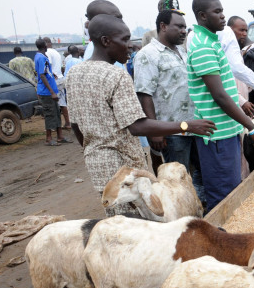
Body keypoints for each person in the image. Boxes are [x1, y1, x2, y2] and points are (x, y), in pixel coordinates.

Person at [66, 14, 215, 216]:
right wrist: (186, 126)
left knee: (118, 222)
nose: (129, 45)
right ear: (105, 41)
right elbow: (137, 126)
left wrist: (92, 149)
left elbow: (75, 124)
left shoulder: (74, 73)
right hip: (125, 171)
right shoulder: (116, 75)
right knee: (139, 223)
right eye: (124, 39)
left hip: (98, 164)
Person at [186, 0, 254, 213]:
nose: (223, 16)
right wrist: (252, 127)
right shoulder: (203, 47)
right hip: (217, 135)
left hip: (225, 131)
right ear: (202, 16)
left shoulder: (211, 42)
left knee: (231, 190)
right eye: (217, 12)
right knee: (223, 196)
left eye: (222, 11)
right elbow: (220, 96)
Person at [134, 8, 195, 174]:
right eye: (179, 27)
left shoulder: (181, 51)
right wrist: (155, 131)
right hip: (171, 132)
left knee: (196, 179)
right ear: (163, 26)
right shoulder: (148, 55)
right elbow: (144, 94)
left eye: (185, 27)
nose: (184, 31)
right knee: (175, 179)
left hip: (193, 127)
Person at [224, 16, 254, 118]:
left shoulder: (237, 53)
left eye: (246, 31)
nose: (245, 34)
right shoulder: (223, 54)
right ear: (229, 30)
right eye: (241, 30)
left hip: (240, 110)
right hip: (231, 109)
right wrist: (242, 102)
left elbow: (239, 83)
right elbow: (223, 85)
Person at [35, 39, 70, 146]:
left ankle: (60, 136)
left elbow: (45, 72)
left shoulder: (42, 56)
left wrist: (52, 74)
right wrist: (52, 92)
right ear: (45, 46)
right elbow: (42, 75)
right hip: (47, 92)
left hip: (51, 90)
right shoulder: (41, 57)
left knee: (56, 113)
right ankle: (49, 139)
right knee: (50, 114)